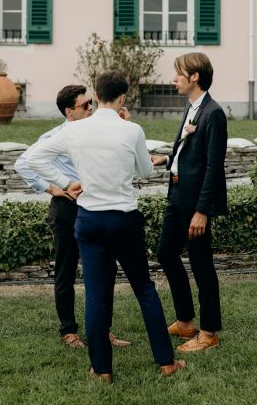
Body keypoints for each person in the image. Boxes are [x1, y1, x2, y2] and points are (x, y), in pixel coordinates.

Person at [27, 71, 185, 382]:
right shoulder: (132, 130)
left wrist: (66, 182)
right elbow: (145, 171)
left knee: (96, 294)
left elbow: (34, 157)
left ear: (97, 96)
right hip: (124, 220)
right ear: (122, 97)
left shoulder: (76, 130)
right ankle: (166, 362)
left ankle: (102, 370)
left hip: (90, 220)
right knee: (144, 289)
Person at [14, 84, 130, 350]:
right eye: (86, 105)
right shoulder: (57, 135)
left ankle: (103, 330)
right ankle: (69, 330)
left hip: (97, 206)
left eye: (92, 103)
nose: (92, 108)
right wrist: (53, 187)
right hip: (67, 209)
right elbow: (23, 163)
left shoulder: (97, 131)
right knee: (66, 269)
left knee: (104, 269)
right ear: (69, 112)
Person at [153, 52, 227, 353]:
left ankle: (208, 332)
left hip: (195, 203)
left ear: (194, 76)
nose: (174, 79)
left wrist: (202, 211)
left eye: (178, 73)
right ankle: (185, 321)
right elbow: (191, 155)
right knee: (165, 253)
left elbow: (213, 166)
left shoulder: (213, 113)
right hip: (177, 196)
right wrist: (168, 159)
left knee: (202, 264)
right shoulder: (193, 108)